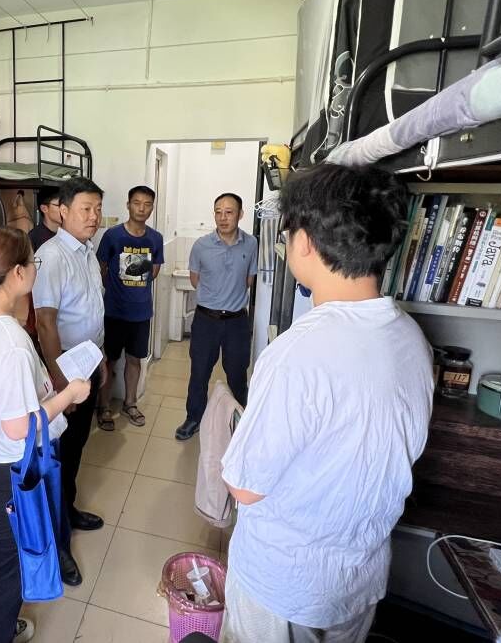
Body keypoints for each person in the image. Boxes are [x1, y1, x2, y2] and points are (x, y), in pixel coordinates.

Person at [219, 164, 434, 643]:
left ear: (306, 242)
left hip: (284, 586)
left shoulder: (298, 352)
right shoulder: (410, 338)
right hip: (359, 579)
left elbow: (244, 486)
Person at [0, 227, 90, 643]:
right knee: (10, 573)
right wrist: (68, 394)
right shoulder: (10, 343)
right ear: (17, 273)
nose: (36, 269)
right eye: (33, 262)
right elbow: (18, 427)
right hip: (9, 474)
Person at [33, 176, 106, 586]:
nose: (94, 216)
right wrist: (62, 385)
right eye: (85, 209)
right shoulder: (51, 256)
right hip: (66, 374)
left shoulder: (88, 252)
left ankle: (69, 510)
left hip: (88, 364)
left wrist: (102, 358)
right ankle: (57, 544)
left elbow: (91, 311)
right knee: (58, 458)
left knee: (75, 449)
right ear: (62, 211)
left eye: (97, 208)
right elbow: (45, 323)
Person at [175, 193, 258, 441]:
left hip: (236, 322)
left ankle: (240, 420)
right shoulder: (201, 246)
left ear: (240, 214)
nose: (223, 217)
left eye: (229, 212)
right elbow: (195, 279)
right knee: (199, 373)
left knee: (237, 373)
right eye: (218, 212)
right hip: (206, 321)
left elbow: (249, 280)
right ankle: (193, 418)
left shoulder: (251, 244)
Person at [95, 185, 164, 430]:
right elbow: (101, 269)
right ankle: (103, 407)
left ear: (152, 208)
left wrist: (133, 279)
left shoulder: (155, 238)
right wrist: (116, 289)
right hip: (114, 312)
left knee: (135, 360)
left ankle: (130, 403)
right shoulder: (112, 236)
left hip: (141, 313)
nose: (141, 208)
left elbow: (153, 272)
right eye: (136, 203)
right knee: (109, 361)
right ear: (128, 205)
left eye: (147, 204)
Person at [28, 186, 62, 251]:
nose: (64, 209)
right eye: (59, 205)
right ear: (44, 208)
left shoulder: (70, 234)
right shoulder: (33, 237)